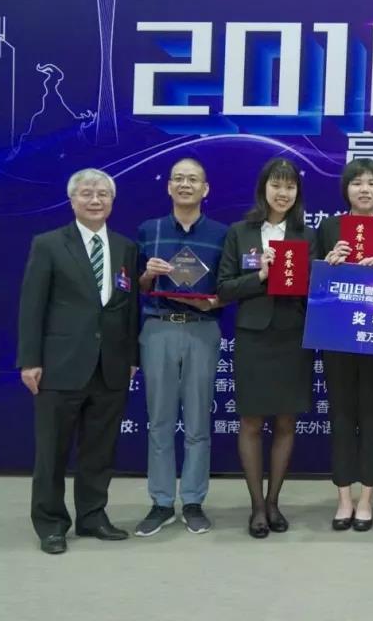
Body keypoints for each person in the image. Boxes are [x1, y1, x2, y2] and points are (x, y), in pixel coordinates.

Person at [17, 168, 139, 554]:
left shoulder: (125, 247)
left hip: (111, 365)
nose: (95, 200)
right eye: (86, 193)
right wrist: (30, 360)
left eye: (103, 194)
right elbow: (32, 306)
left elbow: (129, 308)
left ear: (112, 201)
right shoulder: (49, 244)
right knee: (52, 452)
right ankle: (51, 524)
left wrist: (132, 357)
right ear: (72, 200)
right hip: (60, 364)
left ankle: (92, 516)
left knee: (99, 450)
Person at [217, 158, 316, 538]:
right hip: (254, 336)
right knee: (252, 422)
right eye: (276, 185)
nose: (283, 193)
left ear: (297, 193)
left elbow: (318, 289)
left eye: (290, 187)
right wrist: (260, 275)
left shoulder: (307, 235)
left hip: (293, 335)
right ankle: (256, 506)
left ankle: (274, 501)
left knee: (287, 421)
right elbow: (224, 288)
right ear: (263, 189)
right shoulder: (239, 232)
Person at [134, 158, 228, 537]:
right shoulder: (149, 230)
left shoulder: (222, 234)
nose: (185, 184)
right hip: (158, 328)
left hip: (202, 329)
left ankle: (192, 501)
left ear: (206, 189)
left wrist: (213, 302)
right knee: (159, 420)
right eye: (178, 179)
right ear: (168, 186)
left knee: (198, 421)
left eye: (192, 179)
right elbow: (136, 286)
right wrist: (148, 274)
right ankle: (160, 502)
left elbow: (228, 286)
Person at [317, 159, 373, 532]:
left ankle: (367, 498)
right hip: (337, 334)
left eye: (371, 182)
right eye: (357, 182)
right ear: (346, 189)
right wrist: (329, 264)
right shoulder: (329, 228)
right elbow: (314, 282)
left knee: (372, 416)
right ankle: (343, 498)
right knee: (340, 415)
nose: (364, 189)